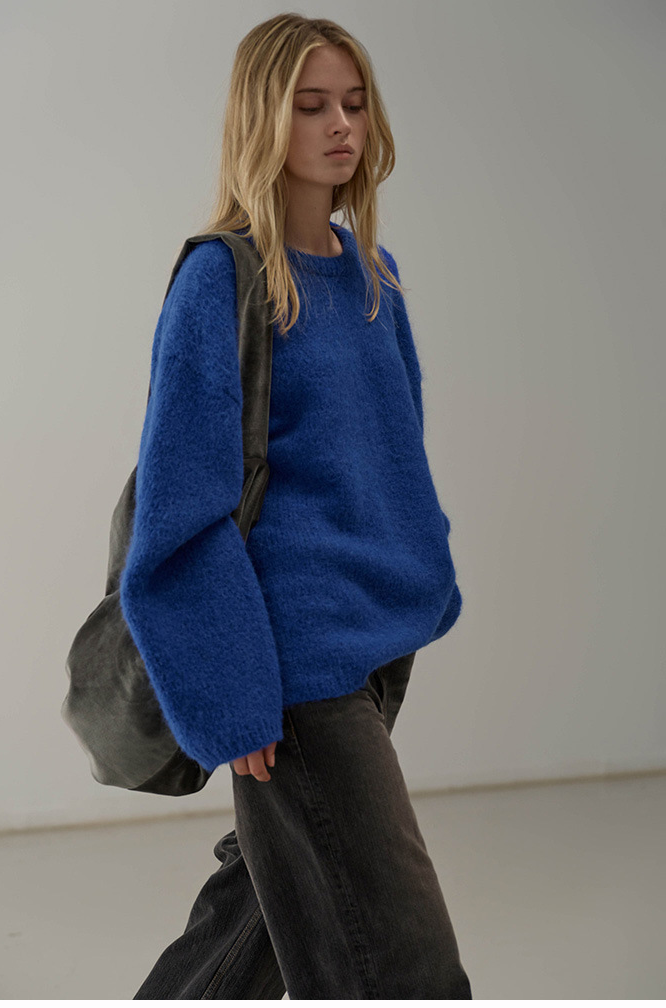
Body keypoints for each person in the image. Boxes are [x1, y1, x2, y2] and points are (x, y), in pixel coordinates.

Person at [119, 13, 472, 1000]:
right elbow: (182, 510)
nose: (340, 124)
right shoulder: (221, 280)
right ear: (262, 120)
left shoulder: (373, 277)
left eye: (353, 103)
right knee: (403, 963)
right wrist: (231, 692)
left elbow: (394, 461)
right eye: (311, 105)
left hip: (374, 649)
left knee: (258, 929)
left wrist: (416, 580)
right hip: (289, 667)